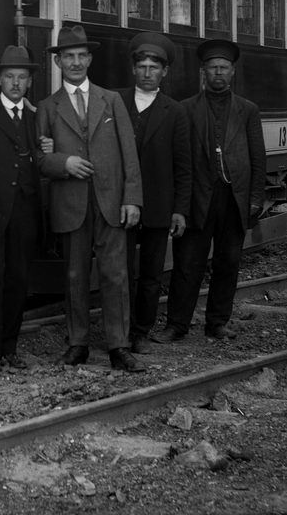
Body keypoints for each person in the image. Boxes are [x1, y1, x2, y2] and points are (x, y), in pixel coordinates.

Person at [36, 25, 145, 372]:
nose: (75, 63)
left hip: (111, 200)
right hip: (71, 203)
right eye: (68, 57)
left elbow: (130, 154)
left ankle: (119, 346)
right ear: (58, 62)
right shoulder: (47, 107)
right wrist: (62, 163)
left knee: (115, 274)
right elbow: (38, 159)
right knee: (74, 276)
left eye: (81, 56)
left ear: (90, 59)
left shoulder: (111, 100)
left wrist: (132, 199)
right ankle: (77, 343)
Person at [156, 39, 266, 343]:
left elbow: (258, 157)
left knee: (228, 262)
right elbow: (177, 159)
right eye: (213, 67)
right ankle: (176, 324)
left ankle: (217, 323)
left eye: (224, 68)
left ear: (232, 72)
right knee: (188, 263)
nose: (218, 72)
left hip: (234, 198)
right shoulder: (185, 109)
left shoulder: (247, 110)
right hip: (197, 199)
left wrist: (255, 199)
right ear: (203, 72)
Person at [117, 33, 192, 354]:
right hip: (119, 205)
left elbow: (183, 166)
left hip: (159, 208)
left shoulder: (175, 112)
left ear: (164, 72)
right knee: (119, 272)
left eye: (154, 67)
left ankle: (140, 332)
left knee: (149, 275)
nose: (147, 72)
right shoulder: (114, 101)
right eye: (142, 66)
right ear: (133, 69)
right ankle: (117, 331)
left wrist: (179, 209)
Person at [0, 45, 41, 376]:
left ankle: (9, 348)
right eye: (10, 77)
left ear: (29, 82)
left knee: (19, 280)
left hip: (25, 212)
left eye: (22, 78)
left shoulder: (34, 116)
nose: (16, 83)